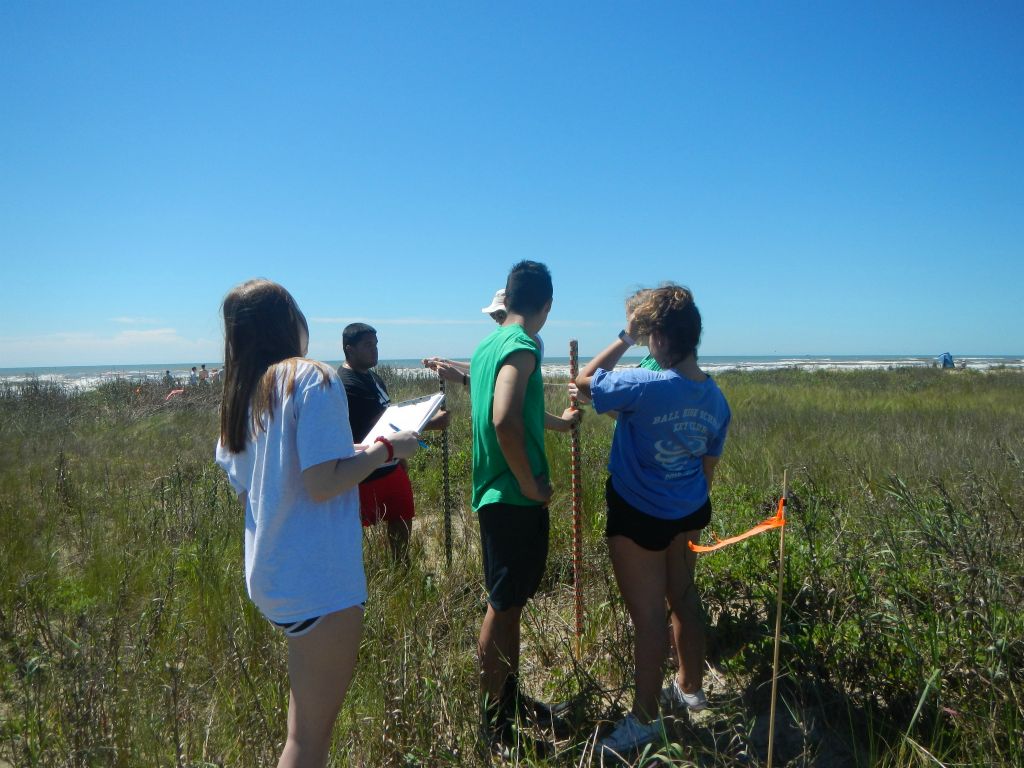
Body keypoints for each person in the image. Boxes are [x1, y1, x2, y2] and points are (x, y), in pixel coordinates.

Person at [214, 279, 420, 768]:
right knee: (307, 740)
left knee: (302, 726)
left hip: (271, 574)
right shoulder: (313, 378)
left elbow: (260, 479)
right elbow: (323, 484)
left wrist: (352, 452)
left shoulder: (243, 392)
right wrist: (388, 450)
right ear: (290, 323)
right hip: (318, 579)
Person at [575, 284, 731, 758]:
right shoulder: (715, 398)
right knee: (683, 597)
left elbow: (584, 382)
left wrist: (624, 335)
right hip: (688, 511)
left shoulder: (643, 385)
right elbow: (707, 467)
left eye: (647, 337)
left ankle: (645, 719)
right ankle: (690, 688)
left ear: (657, 337)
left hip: (639, 514)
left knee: (647, 619)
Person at [470, 261, 580, 754]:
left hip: (497, 497)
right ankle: (493, 727)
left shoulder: (486, 347)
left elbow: (520, 411)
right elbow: (504, 421)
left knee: (509, 604)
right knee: (501, 604)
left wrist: (560, 424)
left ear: (509, 297)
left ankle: (509, 702)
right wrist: (531, 485)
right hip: (512, 498)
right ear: (546, 306)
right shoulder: (520, 345)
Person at [338, 323, 449, 562]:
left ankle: (402, 569)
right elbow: (376, 424)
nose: (375, 350)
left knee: (402, 521)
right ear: (350, 349)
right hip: (363, 470)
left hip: (391, 466)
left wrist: (401, 462)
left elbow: (389, 414)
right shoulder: (345, 383)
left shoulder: (374, 378)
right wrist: (429, 422)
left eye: (376, 345)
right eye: (368, 345)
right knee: (352, 535)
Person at [422, 287, 578, 433]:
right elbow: (484, 367)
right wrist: (447, 363)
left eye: (499, 314)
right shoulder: (500, 342)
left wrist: (462, 379)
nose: (496, 319)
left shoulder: (525, 343)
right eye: (493, 315)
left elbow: (517, 404)